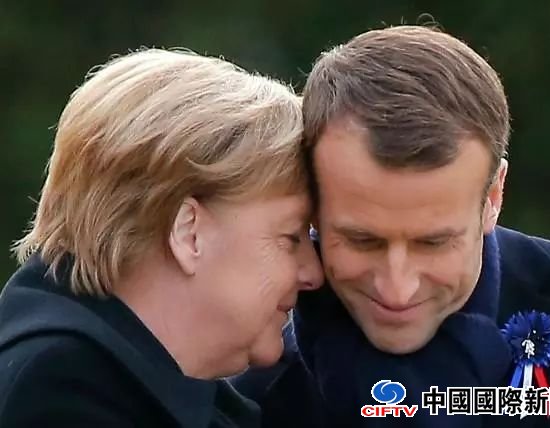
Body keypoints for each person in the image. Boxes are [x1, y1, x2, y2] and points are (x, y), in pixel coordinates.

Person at [231, 26, 550, 427]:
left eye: (434, 243)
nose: (398, 289)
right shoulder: (249, 396)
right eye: (363, 241)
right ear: (311, 207)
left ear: (494, 196)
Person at [0, 48, 323, 427]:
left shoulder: (106, 380)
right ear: (189, 232)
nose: (313, 273)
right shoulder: (61, 395)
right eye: (290, 237)